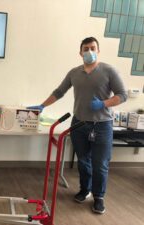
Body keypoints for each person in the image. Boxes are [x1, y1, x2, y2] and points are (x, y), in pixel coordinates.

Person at [28, 37, 127, 214]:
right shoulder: (74, 73)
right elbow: (59, 92)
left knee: (100, 164)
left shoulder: (109, 71)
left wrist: (104, 104)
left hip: (102, 125)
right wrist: (42, 105)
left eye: (93, 48)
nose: (89, 51)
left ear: (98, 50)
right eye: (86, 48)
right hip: (79, 124)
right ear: (80, 52)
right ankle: (84, 189)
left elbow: (122, 95)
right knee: (83, 160)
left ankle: (99, 197)